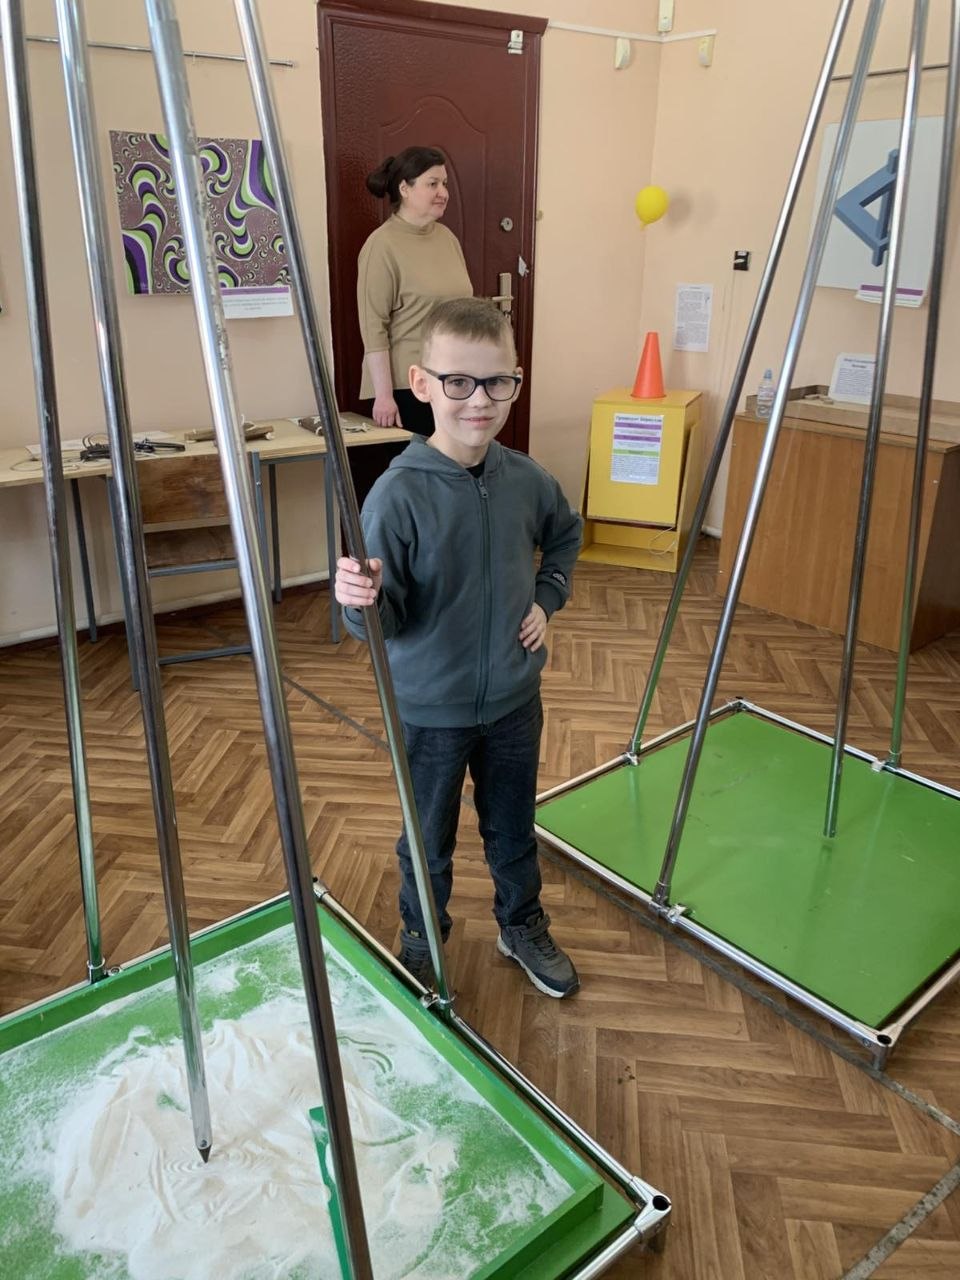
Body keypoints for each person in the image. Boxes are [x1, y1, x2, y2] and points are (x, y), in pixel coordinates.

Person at [335, 297, 583, 999]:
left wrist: (545, 599)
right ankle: (422, 942)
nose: (479, 400)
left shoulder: (526, 479)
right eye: (459, 382)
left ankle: (521, 924)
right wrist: (360, 602)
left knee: (513, 829)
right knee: (427, 840)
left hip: (514, 701)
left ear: (516, 380)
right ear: (421, 384)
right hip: (429, 713)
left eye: (497, 381)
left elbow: (566, 536)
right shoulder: (395, 497)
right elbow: (380, 625)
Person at [357, 147, 473, 435]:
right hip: (406, 389)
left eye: (444, 183)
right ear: (404, 189)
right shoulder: (381, 245)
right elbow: (373, 328)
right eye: (432, 184)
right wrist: (384, 396)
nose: (443, 192)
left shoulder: (447, 238)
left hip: (453, 381)